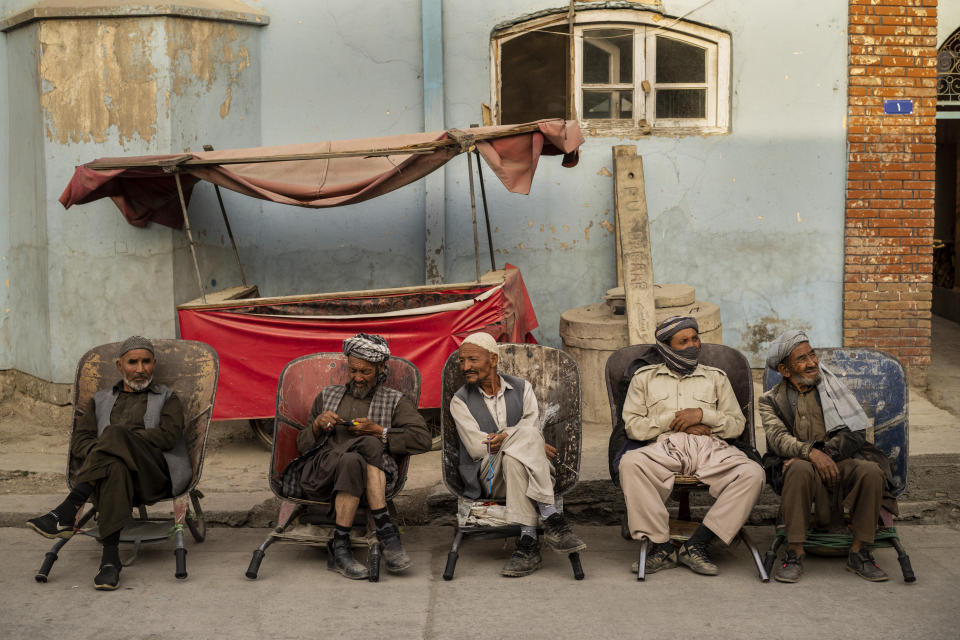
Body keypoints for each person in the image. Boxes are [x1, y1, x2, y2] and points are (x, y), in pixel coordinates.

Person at [27, 336, 189, 591]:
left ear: (154, 364)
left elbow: (168, 437)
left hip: (154, 476)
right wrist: (110, 451)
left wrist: (123, 438)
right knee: (115, 466)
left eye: (146, 362)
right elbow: (80, 442)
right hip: (116, 477)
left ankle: (69, 508)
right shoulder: (100, 400)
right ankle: (110, 561)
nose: (139, 369)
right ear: (119, 366)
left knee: (114, 434)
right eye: (132, 362)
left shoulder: (168, 398)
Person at [618, 316, 764, 577]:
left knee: (753, 474)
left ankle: (698, 544)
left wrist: (702, 415)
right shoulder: (644, 378)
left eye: (695, 338)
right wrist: (676, 421)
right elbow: (633, 427)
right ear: (666, 347)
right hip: (666, 447)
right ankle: (661, 547)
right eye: (683, 341)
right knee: (630, 464)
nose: (692, 345)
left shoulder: (715, 377)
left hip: (710, 447)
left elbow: (736, 425)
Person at [291, 333, 432, 580]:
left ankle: (340, 547)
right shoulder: (328, 396)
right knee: (365, 446)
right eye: (353, 370)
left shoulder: (394, 401)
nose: (357, 377)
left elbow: (422, 440)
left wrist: (381, 432)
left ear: (380, 369)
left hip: (366, 478)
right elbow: (302, 446)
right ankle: (386, 530)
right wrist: (316, 426)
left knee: (356, 457)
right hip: (322, 476)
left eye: (365, 372)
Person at [761, 330, 894, 583]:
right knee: (798, 469)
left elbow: (856, 432)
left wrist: (825, 454)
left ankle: (860, 552)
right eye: (802, 359)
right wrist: (810, 455)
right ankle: (795, 552)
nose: (812, 363)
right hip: (801, 464)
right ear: (785, 369)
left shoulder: (833, 387)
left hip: (839, 460)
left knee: (871, 472)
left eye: (812, 355)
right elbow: (778, 440)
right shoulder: (771, 401)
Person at [449, 332, 585, 578]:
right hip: (490, 476)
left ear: (492, 359)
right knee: (528, 438)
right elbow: (478, 448)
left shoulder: (522, 388)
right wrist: (522, 437)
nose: (465, 367)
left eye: (472, 360)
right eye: (461, 361)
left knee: (516, 455)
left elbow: (530, 431)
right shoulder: (459, 401)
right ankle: (550, 514)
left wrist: (505, 438)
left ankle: (528, 543)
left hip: (524, 469)